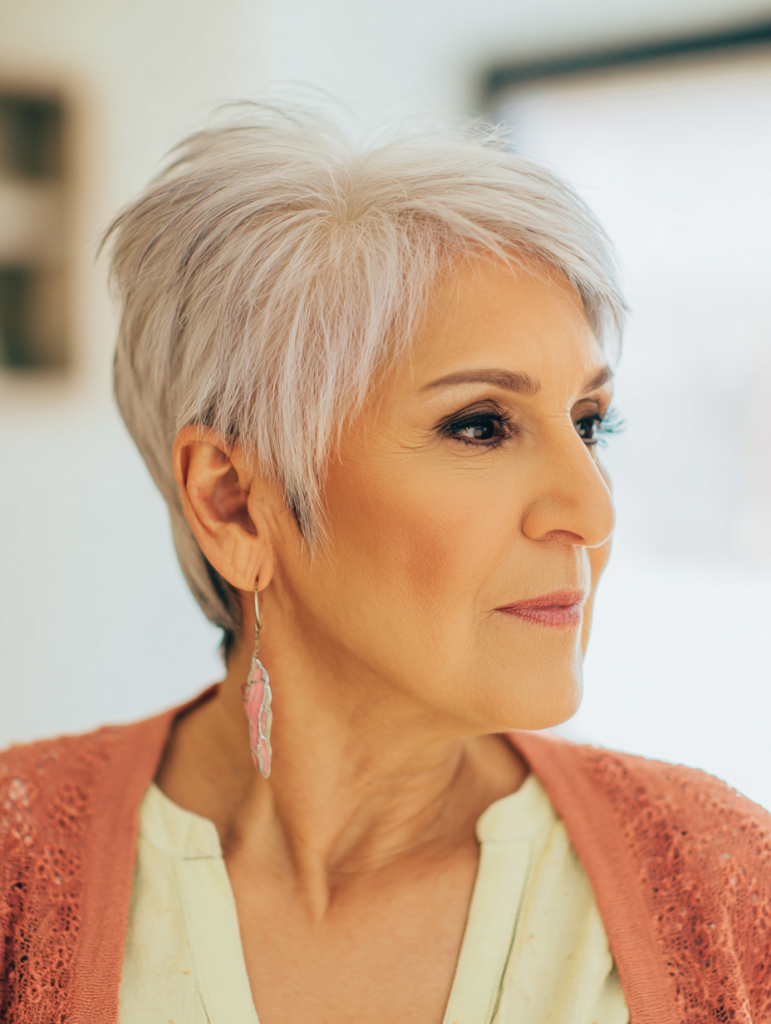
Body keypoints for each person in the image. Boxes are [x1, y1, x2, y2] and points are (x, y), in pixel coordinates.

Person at [1, 102, 769, 1024]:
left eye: (588, 424)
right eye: (479, 425)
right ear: (233, 502)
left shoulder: (726, 885)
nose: (593, 511)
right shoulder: (16, 871)